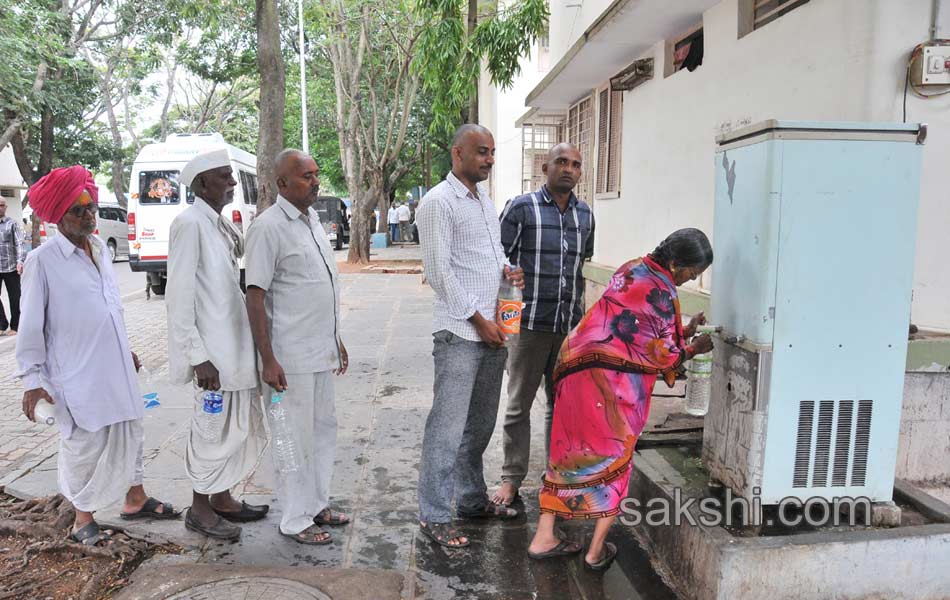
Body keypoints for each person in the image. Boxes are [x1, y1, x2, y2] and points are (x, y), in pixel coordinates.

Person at [527, 228, 715, 570]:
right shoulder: (659, 289)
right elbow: (662, 354)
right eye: (692, 273)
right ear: (675, 263)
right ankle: (595, 552)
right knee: (615, 461)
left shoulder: (633, 268)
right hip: (609, 387)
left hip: (575, 371)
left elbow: (637, 330)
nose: (691, 279)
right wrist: (693, 348)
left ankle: (544, 537)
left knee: (567, 455)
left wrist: (685, 330)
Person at [16, 166, 179, 547]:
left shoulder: (102, 250)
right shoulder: (44, 260)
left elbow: (109, 307)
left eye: (90, 207)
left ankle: (135, 498)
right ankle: (81, 518)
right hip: (75, 370)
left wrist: (126, 349)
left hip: (115, 363)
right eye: (78, 210)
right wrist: (32, 382)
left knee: (130, 429)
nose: (88, 216)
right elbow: (30, 328)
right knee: (84, 440)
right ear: (58, 216)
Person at [415, 124, 525, 549]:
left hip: (492, 331)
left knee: (479, 426)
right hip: (460, 332)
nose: (489, 160)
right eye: (481, 152)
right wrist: (478, 321)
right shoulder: (438, 203)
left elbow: (491, 255)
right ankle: (434, 513)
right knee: (447, 427)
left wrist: (508, 269)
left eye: (493, 152)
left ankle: (471, 500)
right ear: (456, 152)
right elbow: (439, 273)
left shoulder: (482, 200)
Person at [245, 149, 350, 545]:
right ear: (282, 183)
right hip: (288, 360)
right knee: (292, 438)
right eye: (306, 176)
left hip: (319, 352)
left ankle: (316, 503)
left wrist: (336, 338)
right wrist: (267, 359)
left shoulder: (311, 223)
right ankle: (294, 518)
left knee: (323, 431)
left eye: (316, 174)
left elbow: (318, 288)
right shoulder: (267, 227)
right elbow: (255, 296)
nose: (315, 181)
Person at [166, 149, 268, 542]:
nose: (232, 182)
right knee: (211, 430)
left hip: (232, 348)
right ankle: (200, 509)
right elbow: (178, 296)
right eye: (224, 176)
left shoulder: (217, 224)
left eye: (231, 175)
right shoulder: (189, 223)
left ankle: (222, 498)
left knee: (232, 428)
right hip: (212, 356)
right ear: (201, 184)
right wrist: (198, 357)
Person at [492, 143, 594, 506]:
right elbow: (498, 259)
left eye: (576, 165)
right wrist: (504, 315)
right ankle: (510, 478)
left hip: (567, 327)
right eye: (562, 162)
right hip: (528, 324)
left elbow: (580, 265)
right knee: (519, 402)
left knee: (561, 404)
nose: (569, 169)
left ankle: (555, 474)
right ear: (545, 167)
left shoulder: (586, 215)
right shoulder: (522, 208)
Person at [0, 197, 27, 336]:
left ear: (5, 207)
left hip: (11, 267)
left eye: (2, 205)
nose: (0, 207)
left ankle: (16, 326)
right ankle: (2, 323)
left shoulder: (12, 224)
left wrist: (20, 261)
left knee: (15, 297)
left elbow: (20, 244)